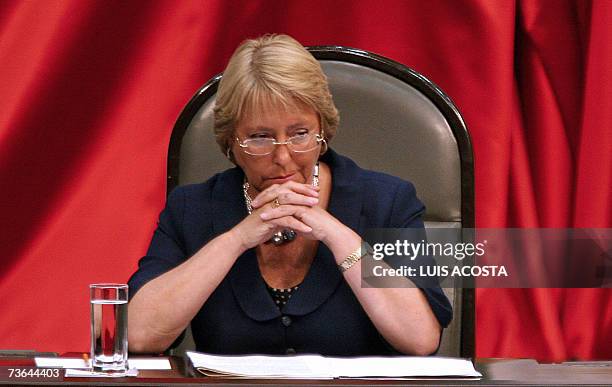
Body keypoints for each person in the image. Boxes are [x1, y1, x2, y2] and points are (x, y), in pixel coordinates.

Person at [127, 34, 452, 356]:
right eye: (259, 137)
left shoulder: (387, 201)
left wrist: (337, 235)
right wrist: (236, 239)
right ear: (230, 143)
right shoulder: (192, 208)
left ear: (322, 131)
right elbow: (139, 335)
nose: (283, 157)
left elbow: (420, 340)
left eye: (299, 134)